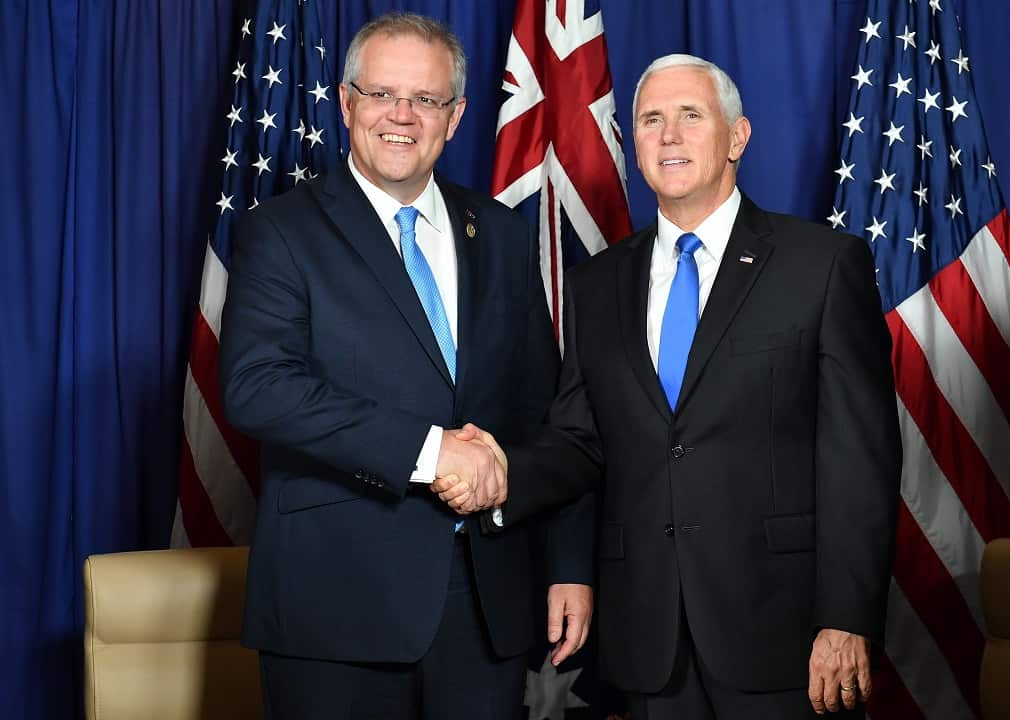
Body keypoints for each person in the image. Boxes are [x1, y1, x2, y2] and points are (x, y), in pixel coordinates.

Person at [443, 53, 902, 719]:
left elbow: (860, 460)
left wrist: (847, 617)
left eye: (691, 116)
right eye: (651, 120)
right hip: (648, 638)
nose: (669, 136)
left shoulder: (822, 266)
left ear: (736, 137)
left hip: (787, 634)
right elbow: (580, 441)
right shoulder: (598, 284)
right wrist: (503, 468)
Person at [219, 13, 593, 719]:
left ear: (453, 118)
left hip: (488, 606)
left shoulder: (504, 235)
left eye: (425, 100)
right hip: (336, 605)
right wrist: (433, 453)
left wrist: (570, 566)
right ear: (348, 101)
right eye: (383, 93)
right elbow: (257, 387)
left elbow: (552, 418)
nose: (402, 116)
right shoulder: (281, 231)